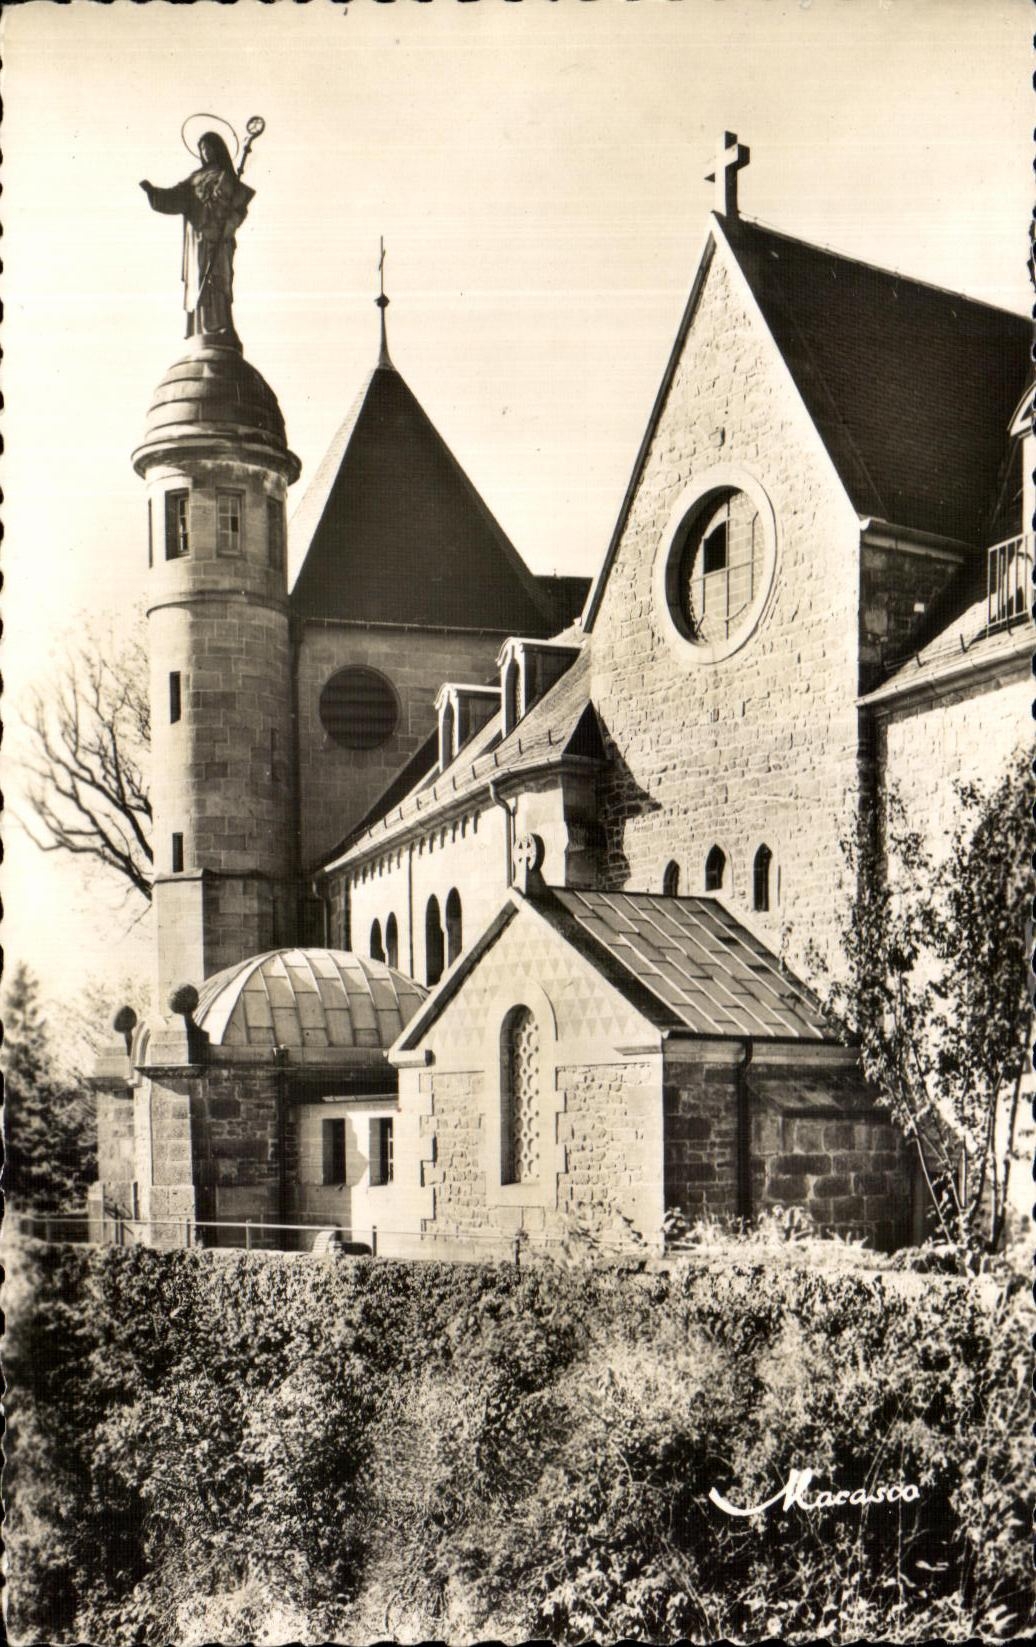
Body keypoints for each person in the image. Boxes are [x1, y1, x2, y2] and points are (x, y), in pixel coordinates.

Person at [140, 132, 255, 339]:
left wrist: (229, 221)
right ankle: (199, 330)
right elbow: (176, 197)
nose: (205, 151)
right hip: (198, 237)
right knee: (199, 277)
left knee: (218, 277)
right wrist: (153, 193)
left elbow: (239, 207)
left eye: (209, 147)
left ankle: (220, 326)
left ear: (217, 149)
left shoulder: (225, 175)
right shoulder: (194, 179)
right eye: (202, 148)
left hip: (219, 237)